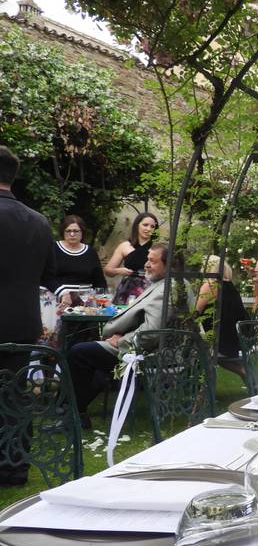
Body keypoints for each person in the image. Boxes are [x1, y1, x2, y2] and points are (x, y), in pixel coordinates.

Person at [0, 145, 56, 486]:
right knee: (17, 393)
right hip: (23, 319)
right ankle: (15, 467)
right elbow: (49, 275)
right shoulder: (39, 221)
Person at [66, 243, 168, 428]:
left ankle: (72, 411)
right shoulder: (164, 285)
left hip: (142, 352)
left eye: (152, 261)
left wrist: (120, 340)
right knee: (91, 359)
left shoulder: (166, 290)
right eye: (147, 259)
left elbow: (152, 332)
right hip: (139, 344)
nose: (146, 264)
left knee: (78, 352)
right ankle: (74, 412)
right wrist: (121, 332)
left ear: (168, 265)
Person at [38, 215, 107, 349]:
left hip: (83, 305)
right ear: (63, 232)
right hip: (56, 301)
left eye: (76, 231)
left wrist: (102, 301)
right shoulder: (53, 248)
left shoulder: (90, 252)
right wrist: (63, 292)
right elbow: (45, 276)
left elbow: (99, 281)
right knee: (52, 345)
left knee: (80, 345)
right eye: (68, 231)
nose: (72, 234)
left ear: (82, 233)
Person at [195, 255, 249, 376]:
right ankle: (245, 373)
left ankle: (201, 389)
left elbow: (195, 312)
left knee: (194, 350)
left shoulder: (211, 285)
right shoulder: (230, 286)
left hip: (221, 341)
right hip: (236, 339)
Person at [104, 211, 158, 305]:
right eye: (145, 225)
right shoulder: (124, 246)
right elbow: (108, 270)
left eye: (152, 226)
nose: (148, 229)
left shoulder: (157, 247)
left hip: (151, 289)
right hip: (127, 290)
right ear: (137, 226)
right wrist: (119, 271)